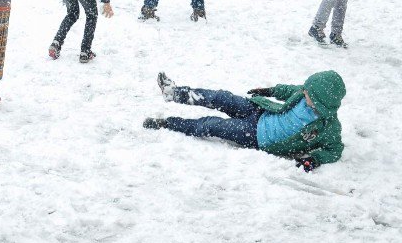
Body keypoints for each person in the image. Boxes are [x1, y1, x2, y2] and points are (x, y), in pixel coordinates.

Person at [143, 71, 344, 173]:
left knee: (212, 125)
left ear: (320, 101)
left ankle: (167, 124)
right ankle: (174, 93)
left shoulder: (328, 126)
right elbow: (292, 89)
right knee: (220, 97)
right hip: (260, 111)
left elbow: (334, 150)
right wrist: (270, 91)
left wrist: (314, 159)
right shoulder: (305, 93)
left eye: (308, 93)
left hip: (257, 136)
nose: (304, 92)